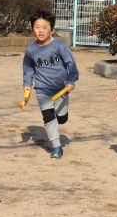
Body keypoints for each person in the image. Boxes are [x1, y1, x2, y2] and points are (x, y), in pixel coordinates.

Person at [22, 10, 79, 159]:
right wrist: (27, 85)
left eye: (44, 27)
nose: (40, 30)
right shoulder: (31, 49)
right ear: (32, 29)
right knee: (48, 117)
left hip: (61, 88)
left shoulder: (59, 45)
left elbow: (70, 63)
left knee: (61, 118)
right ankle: (56, 147)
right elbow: (28, 68)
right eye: (37, 27)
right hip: (42, 90)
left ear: (52, 29)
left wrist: (72, 80)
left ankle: (62, 115)